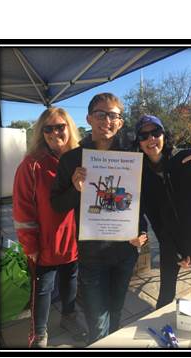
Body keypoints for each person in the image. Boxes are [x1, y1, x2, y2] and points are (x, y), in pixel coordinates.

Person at [50, 93, 148, 344]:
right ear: (89, 119)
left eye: (113, 115)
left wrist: (142, 231)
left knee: (115, 312)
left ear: (121, 122)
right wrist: (75, 189)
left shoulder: (132, 156)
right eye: (100, 114)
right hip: (92, 255)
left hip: (125, 253)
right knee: (97, 321)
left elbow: (141, 200)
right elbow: (57, 205)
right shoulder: (72, 159)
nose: (107, 120)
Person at [12, 107, 88, 347]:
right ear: (41, 133)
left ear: (69, 128)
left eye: (60, 127)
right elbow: (22, 209)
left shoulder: (81, 159)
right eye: (48, 129)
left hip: (74, 239)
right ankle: (39, 333)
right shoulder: (32, 165)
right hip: (45, 243)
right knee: (43, 289)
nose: (55, 133)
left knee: (70, 282)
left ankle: (69, 318)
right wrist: (29, 244)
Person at [132, 115, 191, 307]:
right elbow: (153, 217)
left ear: (164, 135)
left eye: (156, 132)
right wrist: (175, 250)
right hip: (170, 242)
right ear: (138, 142)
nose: (151, 139)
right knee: (165, 296)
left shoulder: (188, 158)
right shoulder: (140, 173)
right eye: (144, 135)